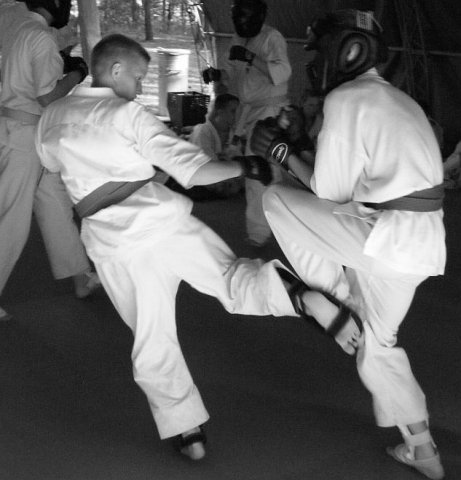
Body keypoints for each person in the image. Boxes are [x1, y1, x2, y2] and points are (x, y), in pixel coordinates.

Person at [35, 33, 315, 461]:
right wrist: (245, 165)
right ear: (115, 70)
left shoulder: (51, 117)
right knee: (229, 277)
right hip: (166, 223)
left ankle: (188, 432)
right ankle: (289, 292)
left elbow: (52, 166)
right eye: (137, 77)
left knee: (153, 337)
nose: (138, 88)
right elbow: (195, 171)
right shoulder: (126, 113)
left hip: (116, 245)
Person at [251, 10, 446, 480]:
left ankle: (335, 302)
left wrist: (281, 152)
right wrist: (298, 144)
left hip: (385, 237)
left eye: (319, 53)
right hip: (420, 247)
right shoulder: (399, 99)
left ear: (348, 49)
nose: (315, 65)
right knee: (377, 345)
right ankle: (422, 451)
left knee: (277, 200)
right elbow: (353, 185)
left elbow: (329, 193)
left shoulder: (347, 97)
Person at [0, 0, 100, 321]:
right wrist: (77, 74)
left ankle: (80, 277)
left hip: (26, 132)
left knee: (55, 205)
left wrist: (62, 63)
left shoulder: (20, 28)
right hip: (24, 137)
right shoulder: (40, 37)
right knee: (12, 221)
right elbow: (47, 96)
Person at [202, 0, 292, 247]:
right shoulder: (238, 38)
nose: (240, 23)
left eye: (245, 18)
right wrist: (216, 74)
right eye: (237, 19)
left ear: (258, 17)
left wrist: (252, 57)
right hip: (249, 111)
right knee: (261, 169)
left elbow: (282, 73)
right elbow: (231, 71)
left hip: (270, 111)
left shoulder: (272, 38)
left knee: (262, 169)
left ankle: (262, 232)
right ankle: (268, 229)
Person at [189, 92, 244, 198]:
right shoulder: (202, 131)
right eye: (233, 111)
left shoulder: (233, 135)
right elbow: (206, 168)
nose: (236, 116)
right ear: (220, 111)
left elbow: (240, 162)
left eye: (238, 112)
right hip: (202, 186)